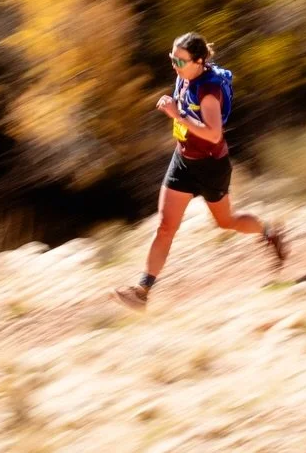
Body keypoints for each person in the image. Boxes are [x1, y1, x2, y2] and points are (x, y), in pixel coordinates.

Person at [112, 32, 287, 311]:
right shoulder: (185, 74)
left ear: (200, 61)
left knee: (226, 221)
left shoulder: (209, 90)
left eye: (180, 62)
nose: (175, 66)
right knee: (165, 226)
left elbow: (214, 134)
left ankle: (268, 231)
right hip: (183, 161)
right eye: (172, 59)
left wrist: (176, 115)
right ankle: (142, 291)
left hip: (210, 166)